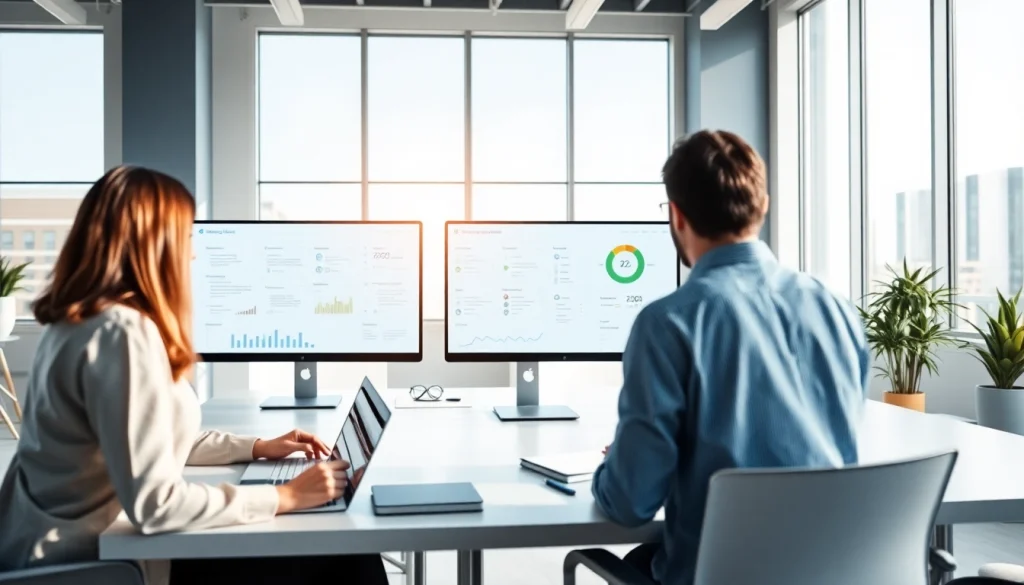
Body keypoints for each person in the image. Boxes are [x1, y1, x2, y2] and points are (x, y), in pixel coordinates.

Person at [0, 166, 388, 585]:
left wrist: (257, 447)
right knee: (345, 552)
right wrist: (285, 496)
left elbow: (143, 440)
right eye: (186, 237)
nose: (193, 254)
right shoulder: (121, 333)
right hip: (92, 564)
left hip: (58, 548)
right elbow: (156, 504)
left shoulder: (77, 322)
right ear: (155, 244)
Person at [591, 130, 869, 585]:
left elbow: (630, 502)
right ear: (762, 206)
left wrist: (615, 465)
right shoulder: (836, 309)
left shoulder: (668, 324)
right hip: (833, 572)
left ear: (676, 216)